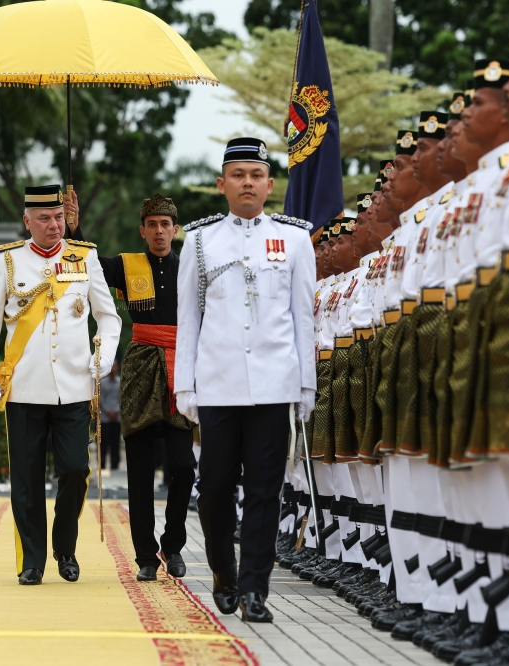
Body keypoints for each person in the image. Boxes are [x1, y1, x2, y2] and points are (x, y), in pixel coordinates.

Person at [175, 137, 316, 623]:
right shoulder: (198, 240)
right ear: (222, 184)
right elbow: (188, 318)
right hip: (217, 384)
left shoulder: (296, 239)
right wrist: (185, 386)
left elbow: (304, 317)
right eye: (238, 175)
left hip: (275, 384)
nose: (248, 183)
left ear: (270, 184)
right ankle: (223, 572)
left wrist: (306, 386)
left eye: (256, 175)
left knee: (264, 490)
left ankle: (256, 588)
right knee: (214, 487)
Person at [0, 184, 121, 586]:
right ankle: (32, 560)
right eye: (44, 218)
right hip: (24, 387)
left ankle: (65, 547)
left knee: (74, 470)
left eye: (58, 217)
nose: (53, 224)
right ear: (27, 221)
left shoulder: (83, 257)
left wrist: (105, 353)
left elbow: (108, 317)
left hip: (73, 386)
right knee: (26, 476)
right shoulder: (7, 261)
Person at [84, 193, 197, 583]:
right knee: (141, 468)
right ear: (143, 230)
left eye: (166, 225)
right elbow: (88, 264)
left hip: (179, 365)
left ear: (175, 230)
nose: (160, 231)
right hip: (140, 364)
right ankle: (146, 556)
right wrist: (72, 227)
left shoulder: (189, 270)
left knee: (184, 466)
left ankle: (174, 544)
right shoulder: (127, 265)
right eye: (152, 225)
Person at [98, 358, 120, 473]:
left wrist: (115, 411)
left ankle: (115, 464)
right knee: (104, 441)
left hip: (117, 417)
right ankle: (102, 464)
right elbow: (101, 399)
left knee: (115, 441)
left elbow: (121, 399)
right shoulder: (102, 382)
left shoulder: (120, 382)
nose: (112, 368)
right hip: (105, 417)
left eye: (114, 366)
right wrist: (108, 411)